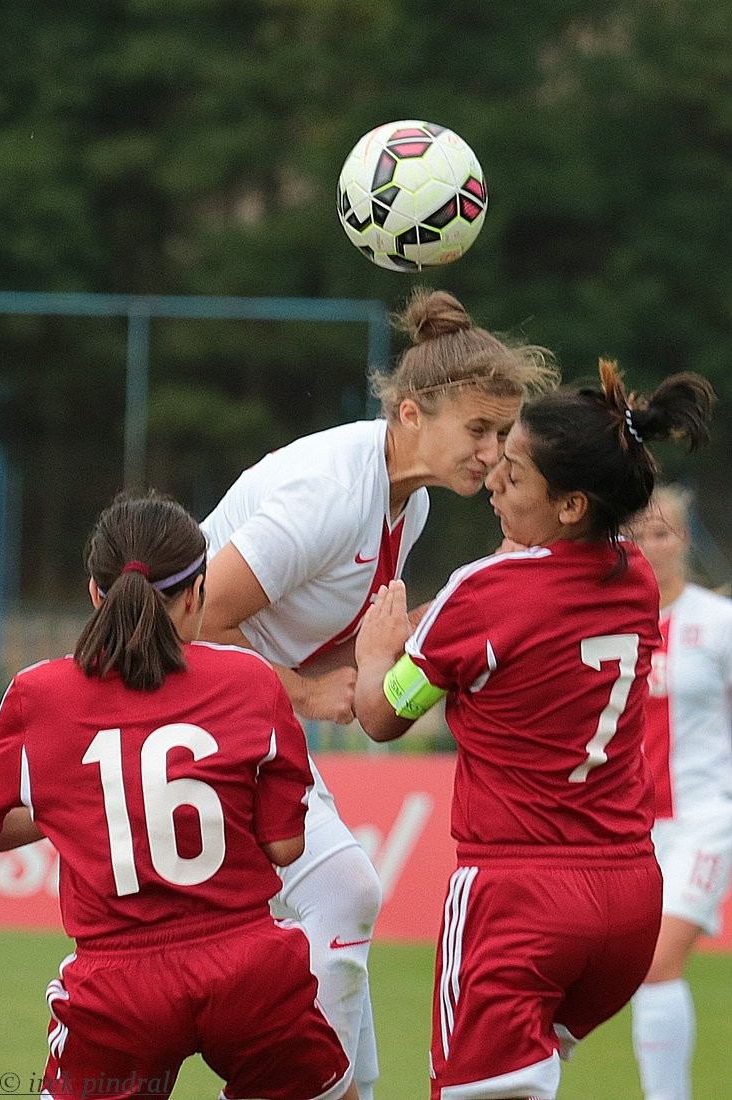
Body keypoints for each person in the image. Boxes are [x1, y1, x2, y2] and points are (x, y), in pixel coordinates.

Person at [198, 287, 561, 1100]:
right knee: (341, 892)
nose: (494, 453)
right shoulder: (328, 493)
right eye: (479, 430)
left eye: (502, 433)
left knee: (342, 896)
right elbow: (184, 621)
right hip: (192, 710)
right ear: (408, 415)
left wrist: (473, 602)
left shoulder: (413, 505)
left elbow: (357, 641)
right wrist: (305, 692)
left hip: (239, 713)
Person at [354, 360, 716, 1100]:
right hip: (627, 901)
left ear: (574, 504)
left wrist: (373, 656)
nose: (491, 481)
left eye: (513, 476)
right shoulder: (636, 577)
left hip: (519, 899)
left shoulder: (483, 593)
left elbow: (384, 715)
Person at [0, 492, 358, 1100]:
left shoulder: (39, 696)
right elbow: (284, 844)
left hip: (117, 991)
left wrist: (77, 808)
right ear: (196, 595)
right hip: (247, 968)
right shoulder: (250, 681)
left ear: (94, 594)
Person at [627, 484, 732, 1100]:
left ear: (683, 541)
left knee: (658, 963)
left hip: (704, 817)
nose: (649, 546)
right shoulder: (612, 624)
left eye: (661, 533)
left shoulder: (717, 624)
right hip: (633, 828)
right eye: (636, 535)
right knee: (618, 971)